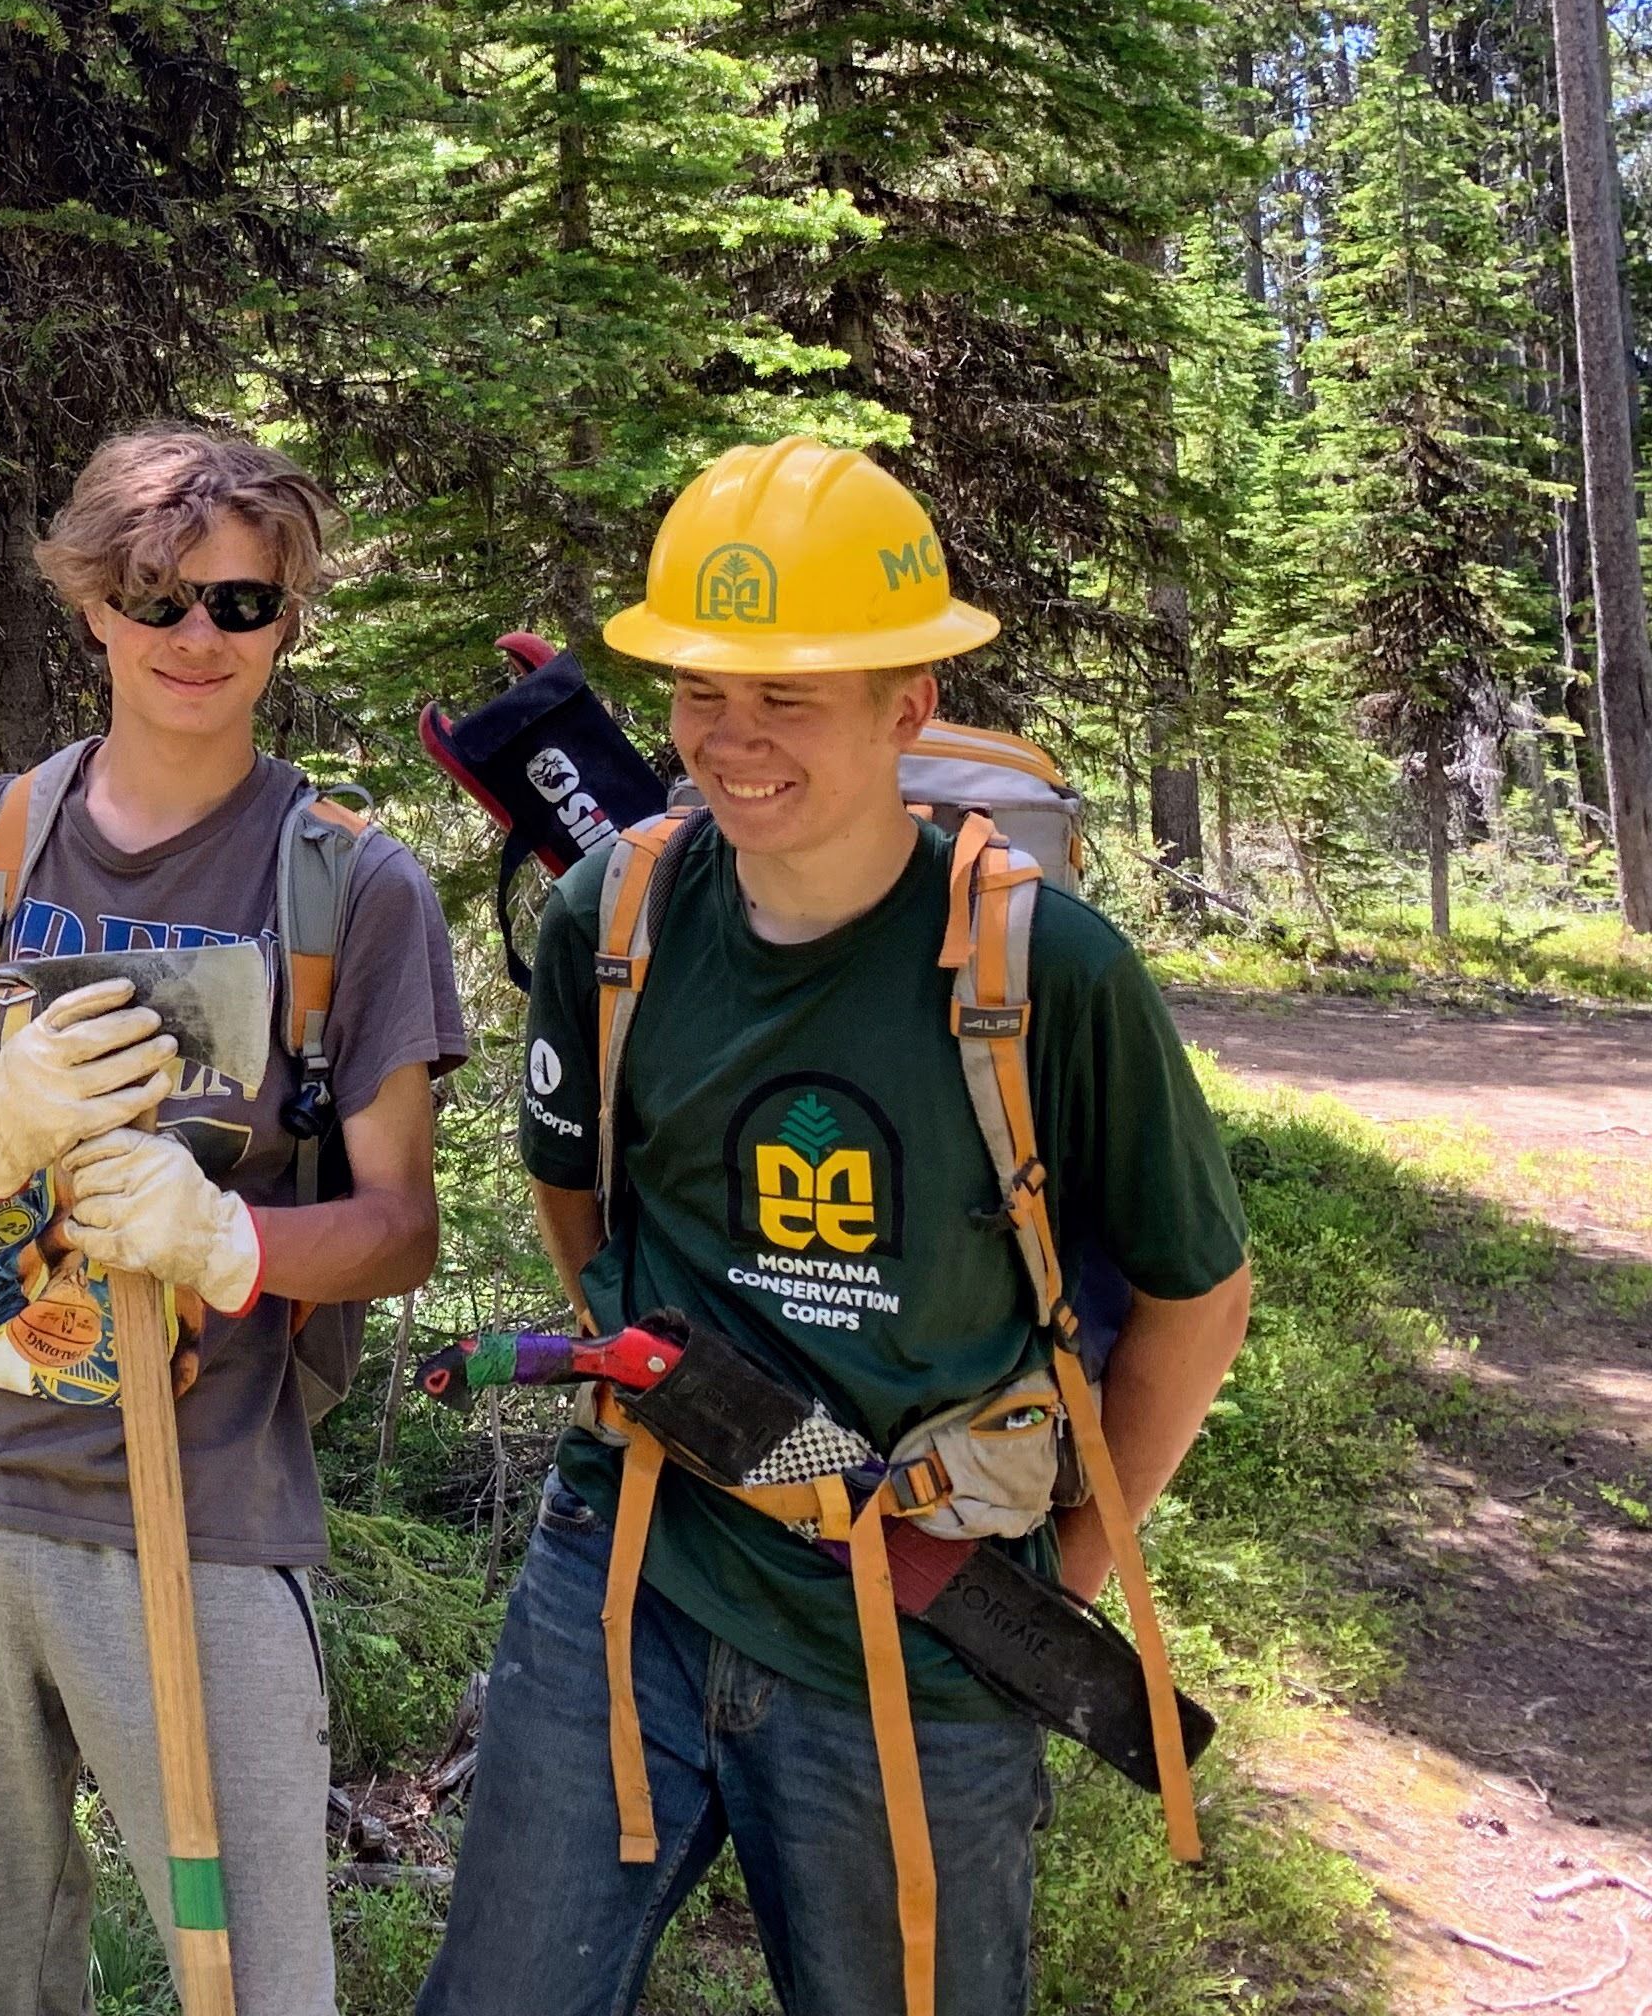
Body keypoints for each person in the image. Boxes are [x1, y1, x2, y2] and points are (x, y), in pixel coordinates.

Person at [418, 439, 1255, 2016]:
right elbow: (576, 1200)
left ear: (907, 704)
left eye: (788, 694)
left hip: (925, 1631)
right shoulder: (613, 923)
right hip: (630, 1578)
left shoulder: (1046, 975)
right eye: (702, 690)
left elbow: (1197, 1297)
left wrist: (1059, 1568)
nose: (732, 740)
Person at [0, 428, 461, 2016]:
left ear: (290, 619)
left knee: (253, 1978)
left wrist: (233, 1246)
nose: (199, 638)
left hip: (201, 1510)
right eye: (158, 597)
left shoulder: (351, 887)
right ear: (94, 610)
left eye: (243, 605)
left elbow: (402, 1226)